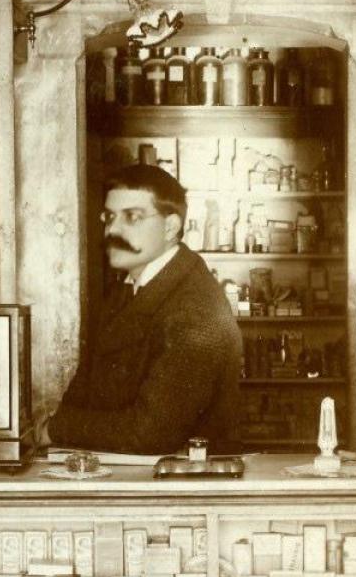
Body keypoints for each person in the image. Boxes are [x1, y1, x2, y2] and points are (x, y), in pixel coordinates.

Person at [36, 163, 244, 455]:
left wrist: (56, 429)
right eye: (109, 217)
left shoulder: (196, 310)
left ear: (171, 227)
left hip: (183, 489)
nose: (113, 230)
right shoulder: (128, 289)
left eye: (132, 217)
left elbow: (149, 434)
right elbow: (85, 390)